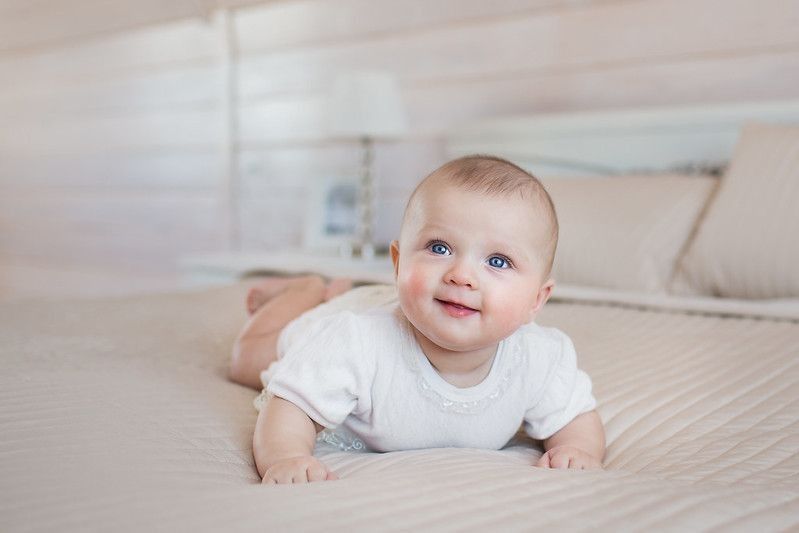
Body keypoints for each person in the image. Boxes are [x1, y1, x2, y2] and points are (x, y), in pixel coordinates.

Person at [229, 155, 605, 484]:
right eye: (439, 248)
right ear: (398, 263)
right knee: (245, 362)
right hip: (345, 313)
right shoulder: (352, 341)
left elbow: (575, 419)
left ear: (536, 301)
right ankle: (306, 291)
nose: (462, 275)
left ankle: (331, 286)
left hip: (384, 301)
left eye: (498, 261)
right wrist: (286, 456)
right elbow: (289, 406)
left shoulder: (541, 356)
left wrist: (577, 450)